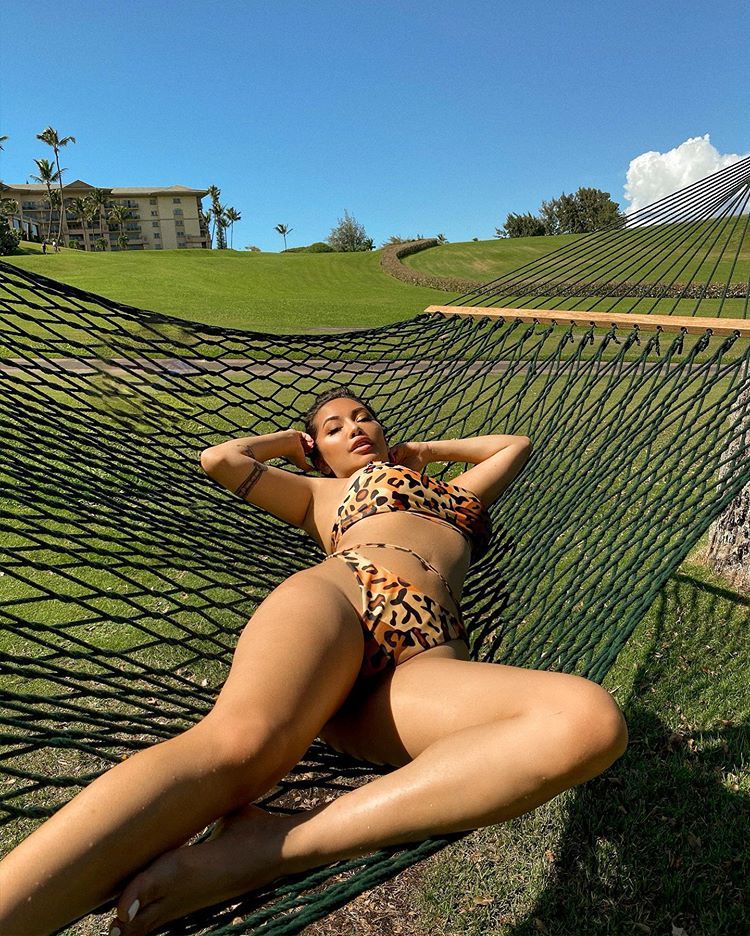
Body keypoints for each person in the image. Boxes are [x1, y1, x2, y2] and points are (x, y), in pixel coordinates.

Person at [0, 387, 628, 935]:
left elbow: (514, 446)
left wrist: (423, 451)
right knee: (241, 747)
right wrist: (291, 446)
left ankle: (276, 846)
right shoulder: (318, 492)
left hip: (428, 656)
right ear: (318, 450)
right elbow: (221, 460)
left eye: (363, 417)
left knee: (588, 723)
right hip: (346, 596)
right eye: (333, 427)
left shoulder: (456, 493)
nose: (354, 427)